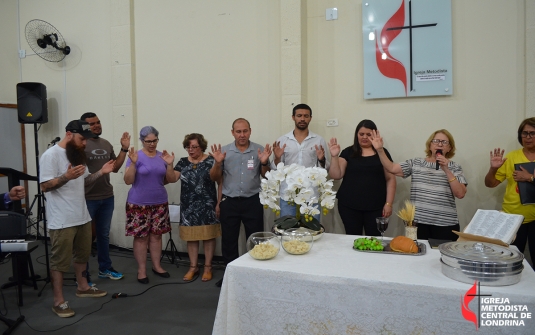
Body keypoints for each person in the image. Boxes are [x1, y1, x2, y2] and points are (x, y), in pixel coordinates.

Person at [40, 120, 114, 318]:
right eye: (82, 139)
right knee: (60, 261)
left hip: (82, 216)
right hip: (62, 219)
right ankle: (59, 301)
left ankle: (83, 287)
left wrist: (101, 172)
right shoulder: (50, 155)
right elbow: (45, 186)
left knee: (82, 255)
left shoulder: (77, 154)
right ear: (69, 134)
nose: (85, 144)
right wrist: (65, 177)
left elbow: (85, 181)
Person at [370, 129, 467, 240]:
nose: (440, 144)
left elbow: (460, 194)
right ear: (430, 145)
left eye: (444, 142)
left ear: (449, 148)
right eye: (436, 141)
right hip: (418, 223)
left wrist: (446, 170)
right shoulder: (416, 163)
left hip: (446, 224)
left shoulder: (455, 167)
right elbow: (391, 168)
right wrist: (380, 150)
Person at [209, 118, 272, 287]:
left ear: (250, 131)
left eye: (245, 131)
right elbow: (215, 178)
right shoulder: (223, 152)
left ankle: (255, 275)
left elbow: (266, 176)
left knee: (256, 239)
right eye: (238, 131)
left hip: (253, 201)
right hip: (229, 202)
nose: (242, 135)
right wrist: (217, 162)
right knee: (229, 241)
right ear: (232, 133)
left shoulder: (259, 150)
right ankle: (230, 277)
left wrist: (265, 162)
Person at [162, 133, 221, 282]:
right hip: (188, 207)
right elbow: (171, 179)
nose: (191, 149)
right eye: (188, 147)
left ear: (201, 146)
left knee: (208, 237)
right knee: (191, 238)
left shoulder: (211, 160)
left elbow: (220, 182)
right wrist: (169, 165)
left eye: (194, 146)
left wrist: (219, 203)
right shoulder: (182, 162)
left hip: (208, 205)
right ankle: (193, 267)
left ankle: (208, 267)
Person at [80, 112, 131, 282]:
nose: (97, 126)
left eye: (98, 122)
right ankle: (84, 274)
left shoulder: (106, 143)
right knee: (85, 237)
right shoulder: (81, 145)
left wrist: (124, 149)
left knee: (103, 235)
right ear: (84, 127)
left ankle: (105, 268)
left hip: (107, 196)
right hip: (87, 198)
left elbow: (115, 167)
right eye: (92, 124)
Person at [328, 120, 396, 235]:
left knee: (374, 240)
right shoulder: (348, 152)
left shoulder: (382, 152)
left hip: (376, 206)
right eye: (361, 134)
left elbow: (390, 179)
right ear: (356, 135)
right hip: (349, 206)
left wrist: (389, 204)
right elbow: (336, 175)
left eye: (368, 134)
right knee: (352, 239)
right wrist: (334, 156)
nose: (364, 137)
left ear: (374, 135)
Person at [124, 126, 172, 284]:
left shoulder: (162, 156)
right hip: (139, 204)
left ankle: (157, 266)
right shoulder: (134, 156)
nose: (152, 144)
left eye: (154, 141)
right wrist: (133, 164)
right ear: (142, 140)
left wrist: (170, 165)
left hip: (159, 202)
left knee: (157, 236)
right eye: (148, 141)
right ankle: (142, 269)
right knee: (141, 238)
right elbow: (128, 181)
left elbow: (167, 179)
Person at [485, 117, 535, 261]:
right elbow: (490, 183)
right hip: (513, 218)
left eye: (532, 133)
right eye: (524, 133)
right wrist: (493, 169)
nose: (528, 137)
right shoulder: (512, 157)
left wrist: (529, 178)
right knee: (512, 259)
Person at [272, 104, 329, 218]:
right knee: (288, 232)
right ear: (293, 117)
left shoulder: (318, 140)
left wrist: (321, 159)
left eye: (306, 116)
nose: (302, 119)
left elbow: (325, 169)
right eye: (299, 115)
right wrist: (277, 158)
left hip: (311, 195)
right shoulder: (283, 140)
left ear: (310, 118)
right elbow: (276, 170)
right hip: (288, 195)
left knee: (311, 232)